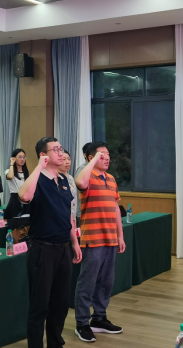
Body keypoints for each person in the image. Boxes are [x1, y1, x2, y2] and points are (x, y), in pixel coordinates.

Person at [18, 137, 82, 348]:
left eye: (61, 149)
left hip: (63, 249)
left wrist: (74, 243)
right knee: (40, 306)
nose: (61, 153)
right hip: (42, 250)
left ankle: (56, 344)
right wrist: (38, 167)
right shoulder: (37, 179)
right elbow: (24, 196)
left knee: (60, 304)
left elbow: (68, 216)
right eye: (55, 150)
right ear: (43, 155)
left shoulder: (63, 180)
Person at [74, 142, 125, 343]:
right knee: (87, 282)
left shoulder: (111, 179)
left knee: (106, 281)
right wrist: (94, 160)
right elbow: (80, 182)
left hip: (110, 239)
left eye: (108, 154)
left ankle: (99, 318)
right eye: (102, 154)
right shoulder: (87, 176)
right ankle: (82, 323)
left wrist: (120, 236)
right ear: (90, 158)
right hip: (92, 240)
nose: (107, 157)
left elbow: (116, 209)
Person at [4, 148, 30, 219]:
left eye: (24, 157)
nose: (22, 159)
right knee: (14, 220)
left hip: (26, 199)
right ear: (14, 158)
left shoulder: (26, 172)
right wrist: (11, 164)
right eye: (20, 157)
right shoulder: (8, 171)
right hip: (15, 198)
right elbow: (10, 176)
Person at [73, 142, 92, 223]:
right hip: (84, 212)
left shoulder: (97, 169)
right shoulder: (82, 169)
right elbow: (79, 187)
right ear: (85, 155)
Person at [59, 150, 77, 223]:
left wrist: (74, 219)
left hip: (73, 216)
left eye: (69, 159)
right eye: (64, 159)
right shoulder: (55, 178)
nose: (67, 162)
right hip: (61, 218)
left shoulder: (71, 178)